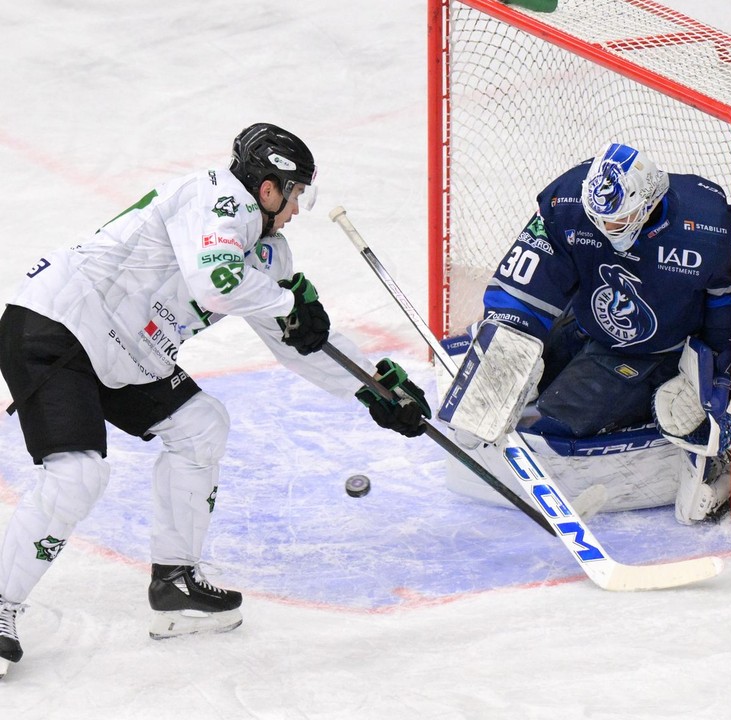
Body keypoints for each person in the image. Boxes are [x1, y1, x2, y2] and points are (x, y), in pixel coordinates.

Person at [0, 123, 429, 675]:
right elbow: (216, 283)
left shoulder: (269, 253)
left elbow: (294, 342)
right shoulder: (213, 199)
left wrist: (375, 390)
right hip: (61, 326)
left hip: (128, 354)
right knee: (77, 476)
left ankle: (174, 582)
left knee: (201, 427)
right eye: (295, 194)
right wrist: (285, 303)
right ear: (269, 188)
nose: (297, 208)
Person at [442, 141, 731, 523]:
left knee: (551, 425)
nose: (605, 228)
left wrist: (712, 370)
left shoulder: (707, 227)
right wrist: (506, 346)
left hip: (652, 354)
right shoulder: (569, 202)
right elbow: (529, 279)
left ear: (646, 203)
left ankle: (716, 461)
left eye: (616, 220)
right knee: (495, 373)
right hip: (582, 324)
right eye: (599, 218)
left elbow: (730, 310)